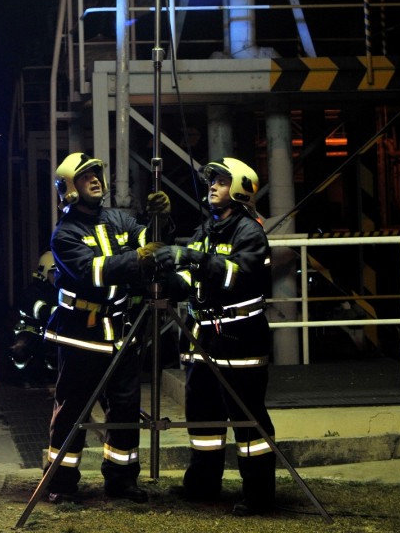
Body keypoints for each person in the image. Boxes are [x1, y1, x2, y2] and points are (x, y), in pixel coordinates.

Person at [43, 153, 171, 503]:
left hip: (123, 334)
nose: (96, 179)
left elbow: (153, 244)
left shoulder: (120, 218)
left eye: (97, 173)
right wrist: (136, 258)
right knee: (73, 410)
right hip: (81, 335)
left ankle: (121, 480)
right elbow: (94, 273)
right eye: (86, 176)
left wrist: (162, 219)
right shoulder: (65, 235)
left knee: (125, 410)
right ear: (70, 188)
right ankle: (61, 482)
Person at [154, 157, 276, 517]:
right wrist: (163, 275)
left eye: (221, 181)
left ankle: (259, 496)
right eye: (212, 182)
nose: (212, 187)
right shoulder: (207, 229)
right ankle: (202, 486)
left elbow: (235, 276)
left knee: (247, 418)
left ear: (239, 188)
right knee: (203, 414)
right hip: (202, 336)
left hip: (240, 336)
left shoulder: (249, 232)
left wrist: (191, 257)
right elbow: (193, 281)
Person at [8, 251, 58, 387]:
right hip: (30, 332)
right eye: (53, 272)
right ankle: (22, 377)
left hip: (51, 333)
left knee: (57, 354)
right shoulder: (32, 291)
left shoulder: (61, 290)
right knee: (19, 349)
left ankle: (53, 377)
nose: (57, 276)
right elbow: (42, 311)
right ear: (44, 272)